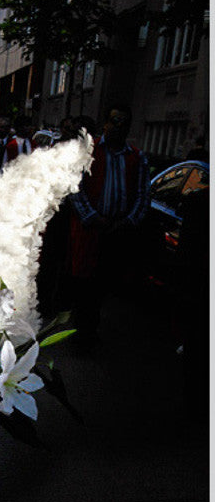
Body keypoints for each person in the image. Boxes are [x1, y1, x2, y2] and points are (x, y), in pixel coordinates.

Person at [67, 102, 150, 345]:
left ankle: (90, 328)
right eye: (114, 121)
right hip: (90, 230)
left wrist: (127, 222)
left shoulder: (137, 157)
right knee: (84, 284)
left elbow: (143, 196)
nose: (118, 127)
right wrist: (92, 218)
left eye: (124, 123)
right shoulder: (89, 152)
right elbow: (75, 189)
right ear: (105, 124)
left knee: (103, 285)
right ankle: (82, 332)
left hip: (117, 231)